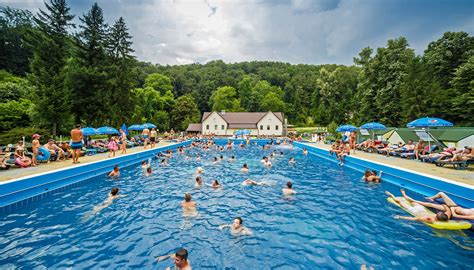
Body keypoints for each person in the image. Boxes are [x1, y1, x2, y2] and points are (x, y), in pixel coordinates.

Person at [385, 190, 449, 223]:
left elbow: (415, 218)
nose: (439, 212)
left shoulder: (430, 219)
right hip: (421, 209)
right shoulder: (443, 216)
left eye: (440, 213)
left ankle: (391, 195)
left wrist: (400, 217)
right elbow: (447, 210)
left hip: (414, 210)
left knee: (398, 201)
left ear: (439, 216)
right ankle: (404, 195)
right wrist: (444, 206)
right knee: (412, 201)